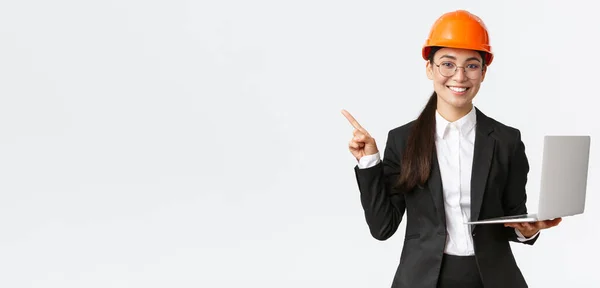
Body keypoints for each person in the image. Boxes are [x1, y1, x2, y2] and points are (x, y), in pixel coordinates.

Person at [341, 10, 561, 288]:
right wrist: (369, 162)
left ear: (483, 72)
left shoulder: (506, 140)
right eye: (447, 64)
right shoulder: (402, 140)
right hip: (424, 279)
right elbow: (383, 227)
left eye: (471, 65)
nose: (459, 76)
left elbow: (514, 214)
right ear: (430, 68)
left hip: (492, 279)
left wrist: (526, 232)